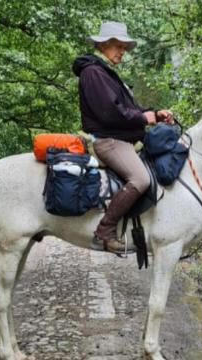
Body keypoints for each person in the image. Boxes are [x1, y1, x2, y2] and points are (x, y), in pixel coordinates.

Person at [71, 21, 173, 254]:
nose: (122, 52)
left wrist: (155, 114)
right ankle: (105, 230)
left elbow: (129, 109)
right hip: (109, 141)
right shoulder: (93, 73)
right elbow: (110, 113)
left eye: (124, 48)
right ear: (105, 44)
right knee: (140, 179)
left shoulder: (104, 72)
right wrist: (143, 119)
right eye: (119, 46)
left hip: (119, 138)